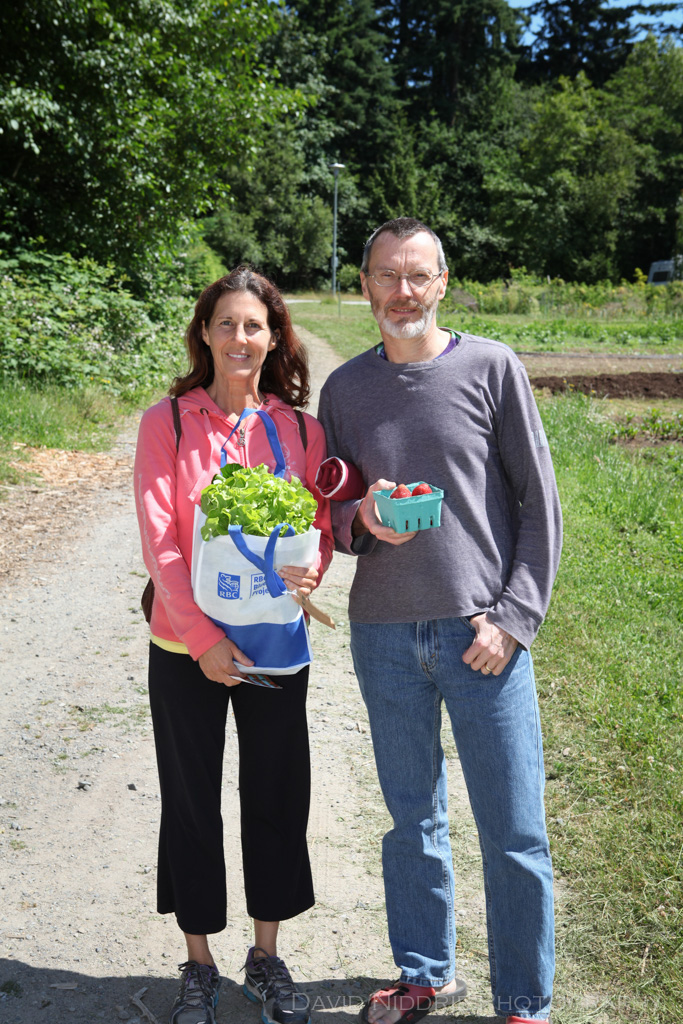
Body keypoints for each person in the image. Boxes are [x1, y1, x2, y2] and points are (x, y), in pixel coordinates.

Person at [317, 219, 562, 1024]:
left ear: (442, 282)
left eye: (417, 275)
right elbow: (331, 509)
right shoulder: (344, 389)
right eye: (386, 275)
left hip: (480, 635)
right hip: (383, 633)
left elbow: (539, 505)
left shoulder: (491, 367)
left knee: (513, 830)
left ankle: (522, 1001)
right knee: (410, 821)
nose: (402, 292)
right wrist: (360, 520)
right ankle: (424, 973)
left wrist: (513, 619)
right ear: (364, 284)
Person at [134, 267, 334, 1024]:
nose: (240, 338)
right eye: (226, 324)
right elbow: (161, 540)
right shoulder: (169, 422)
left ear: (274, 337)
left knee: (277, 793)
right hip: (184, 648)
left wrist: (313, 567)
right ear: (205, 334)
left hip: (277, 646)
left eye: (254, 325)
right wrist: (201, 639)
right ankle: (198, 963)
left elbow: (316, 527)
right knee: (191, 799)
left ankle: (265, 955)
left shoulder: (301, 430)